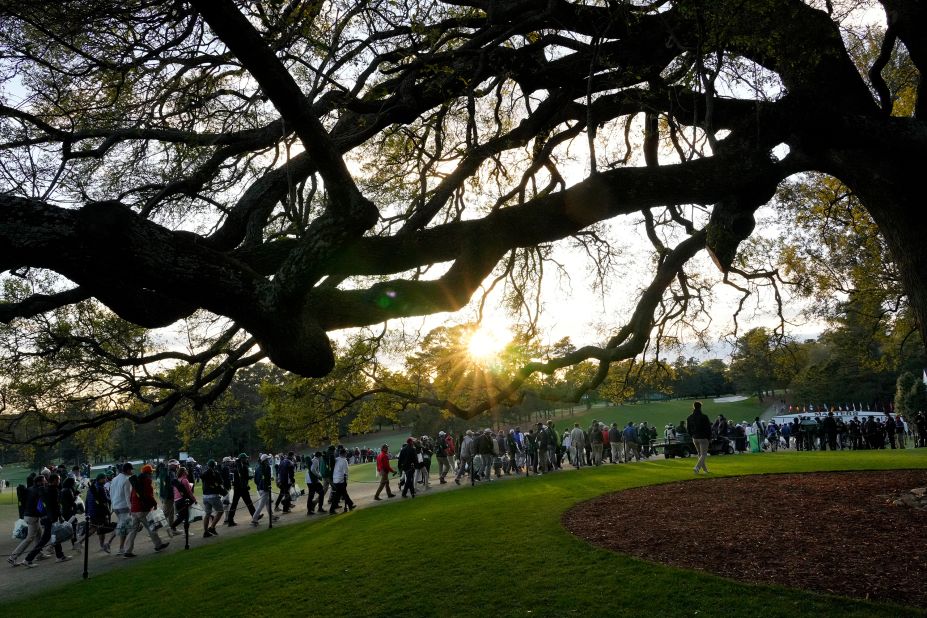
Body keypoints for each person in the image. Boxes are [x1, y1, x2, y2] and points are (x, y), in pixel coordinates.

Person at [22, 473, 70, 566]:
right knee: (45, 539)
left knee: (55, 537)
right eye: (58, 479)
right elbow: (56, 506)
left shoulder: (45, 489)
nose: (59, 481)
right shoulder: (53, 490)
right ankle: (28, 559)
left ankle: (60, 556)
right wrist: (60, 516)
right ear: (55, 480)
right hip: (51, 518)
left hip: (46, 517)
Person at [124, 464, 169, 557]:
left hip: (134, 509)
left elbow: (132, 496)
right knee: (151, 527)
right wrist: (154, 504)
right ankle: (158, 545)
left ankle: (127, 551)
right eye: (151, 472)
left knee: (133, 531)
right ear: (148, 473)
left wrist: (132, 507)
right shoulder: (146, 481)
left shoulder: (136, 481)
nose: (152, 473)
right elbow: (149, 495)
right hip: (142, 509)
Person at [109, 462, 134, 556]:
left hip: (116, 506)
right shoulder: (127, 480)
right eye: (131, 470)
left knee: (121, 526)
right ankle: (120, 547)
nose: (132, 472)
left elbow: (111, 493)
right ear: (127, 470)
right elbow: (128, 496)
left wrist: (112, 506)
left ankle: (114, 544)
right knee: (126, 528)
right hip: (124, 506)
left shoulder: (114, 479)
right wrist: (131, 508)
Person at [85, 473, 112, 553]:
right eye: (104, 479)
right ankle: (102, 545)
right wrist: (112, 498)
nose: (105, 480)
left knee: (94, 528)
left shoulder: (91, 488)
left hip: (92, 511)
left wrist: (87, 512)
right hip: (99, 512)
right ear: (100, 479)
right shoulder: (100, 488)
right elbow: (105, 499)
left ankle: (79, 542)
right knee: (102, 528)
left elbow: (86, 501)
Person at [228, 453, 256, 526]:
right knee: (248, 503)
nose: (246, 459)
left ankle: (230, 520)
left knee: (237, 504)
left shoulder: (238, 465)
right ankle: (255, 516)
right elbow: (243, 476)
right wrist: (249, 477)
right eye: (245, 458)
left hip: (239, 487)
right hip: (241, 488)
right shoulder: (240, 466)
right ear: (242, 459)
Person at [200, 459, 226, 538]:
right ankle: (212, 527)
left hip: (205, 496)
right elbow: (221, 482)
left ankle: (205, 532)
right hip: (213, 496)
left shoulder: (204, 473)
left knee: (207, 514)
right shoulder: (216, 473)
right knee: (220, 511)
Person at [687, 401, 712, 474]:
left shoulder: (689, 417)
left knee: (699, 454)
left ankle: (705, 470)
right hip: (703, 437)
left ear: (693, 407)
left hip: (695, 437)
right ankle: (697, 467)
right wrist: (709, 437)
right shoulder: (704, 416)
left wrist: (692, 435)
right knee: (703, 454)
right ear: (700, 407)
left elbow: (688, 429)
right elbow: (708, 428)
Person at [329, 447, 355, 513]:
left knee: (343, 494)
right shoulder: (344, 460)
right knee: (339, 496)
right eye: (346, 453)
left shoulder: (337, 459)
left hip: (335, 479)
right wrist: (346, 481)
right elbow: (345, 472)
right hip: (340, 480)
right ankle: (332, 509)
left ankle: (350, 504)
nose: (346, 454)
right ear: (344, 453)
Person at [170, 466, 196, 532]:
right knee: (186, 517)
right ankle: (185, 532)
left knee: (181, 517)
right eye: (186, 470)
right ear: (183, 472)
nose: (187, 471)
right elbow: (189, 492)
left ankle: (172, 527)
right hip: (183, 500)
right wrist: (194, 499)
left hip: (177, 501)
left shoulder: (177, 480)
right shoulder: (185, 480)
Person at [251, 454, 275, 526]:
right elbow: (265, 479)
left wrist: (260, 485)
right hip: (265, 488)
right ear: (264, 461)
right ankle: (254, 519)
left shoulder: (258, 467)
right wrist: (266, 486)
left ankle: (272, 516)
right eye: (267, 459)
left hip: (260, 488)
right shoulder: (266, 467)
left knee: (267, 503)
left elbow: (256, 480)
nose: (268, 460)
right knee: (261, 505)